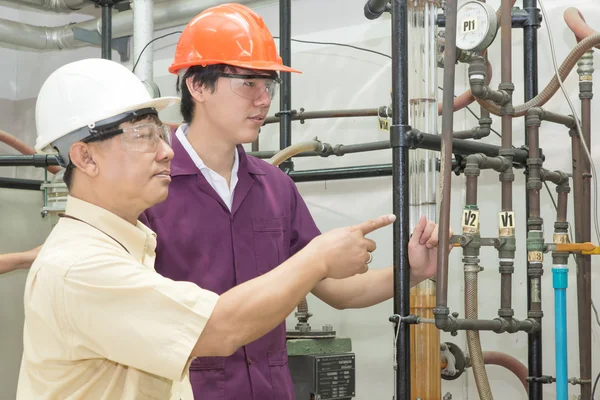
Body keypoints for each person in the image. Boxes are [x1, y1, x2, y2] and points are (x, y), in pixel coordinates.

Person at [16, 58, 398, 400]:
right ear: (85, 156)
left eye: (159, 135)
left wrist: (411, 269)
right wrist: (317, 258)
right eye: (143, 136)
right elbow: (218, 328)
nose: (164, 151)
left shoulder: (131, 242)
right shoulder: (84, 267)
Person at [139, 3, 448, 400]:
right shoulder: (150, 186)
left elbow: (337, 290)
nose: (264, 100)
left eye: (269, 85)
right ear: (197, 86)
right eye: (248, 83)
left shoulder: (274, 187)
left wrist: (412, 271)